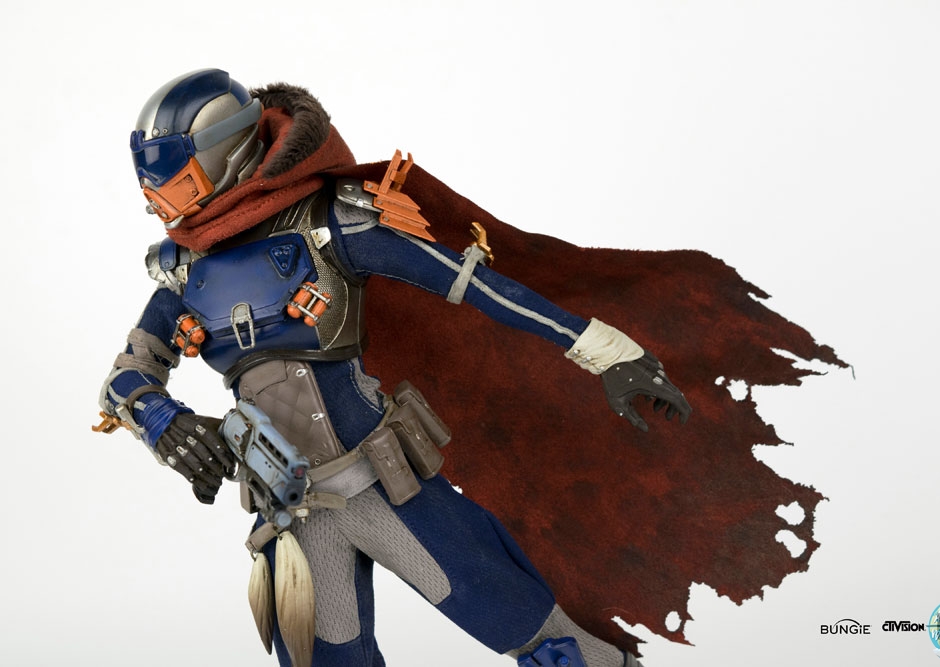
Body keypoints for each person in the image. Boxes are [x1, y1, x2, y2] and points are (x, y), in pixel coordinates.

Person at [96, 69, 691, 667]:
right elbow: (126, 378)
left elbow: (476, 286)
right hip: (290, 516)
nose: (162, 202)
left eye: (175, 183)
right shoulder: (184, 269)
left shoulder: (330, 223)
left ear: (224, 154)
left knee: (553, 651)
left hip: (387, 485)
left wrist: (608, 352)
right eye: (154, 189)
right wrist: (161, 419)